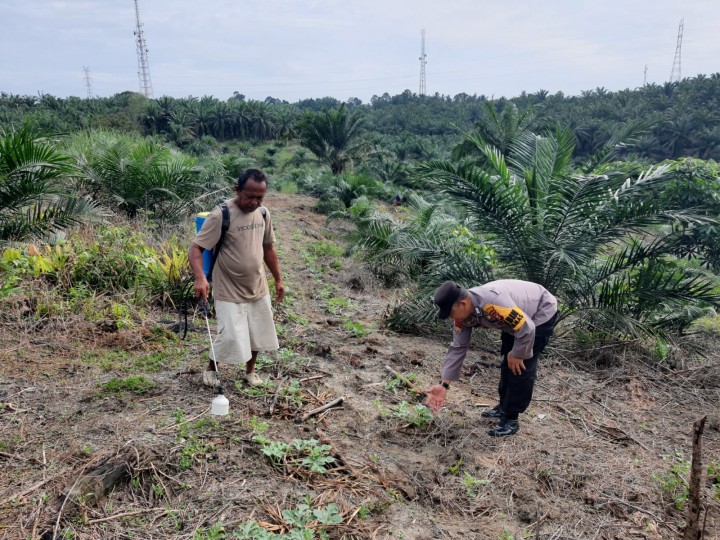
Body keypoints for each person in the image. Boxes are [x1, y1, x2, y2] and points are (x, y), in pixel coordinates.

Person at [189, 168, 285, 388]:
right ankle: (211, 370)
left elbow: (268, 247)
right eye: (249, 196)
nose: (254, 201)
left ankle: (250, 372)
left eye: (259, 197)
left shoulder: (263, 214)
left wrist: (278, 279)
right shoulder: (221, 215)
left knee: (257, 332)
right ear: (237, 190)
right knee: (230, 335)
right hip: (228, 288)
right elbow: (196, 249)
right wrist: (200, 277)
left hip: (257, 286)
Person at [425, 280, 558, 437]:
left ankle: (511, 418)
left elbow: (527, 328)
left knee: (520, 367)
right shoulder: (464, 314)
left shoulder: (493, 304)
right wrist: (444, 385)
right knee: (507, 362)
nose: (450, 318)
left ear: (463, 303)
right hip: (517, 321)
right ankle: (503, 406)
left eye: (451, 313)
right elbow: (458, 347)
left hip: (539, 313)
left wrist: (518, 354)